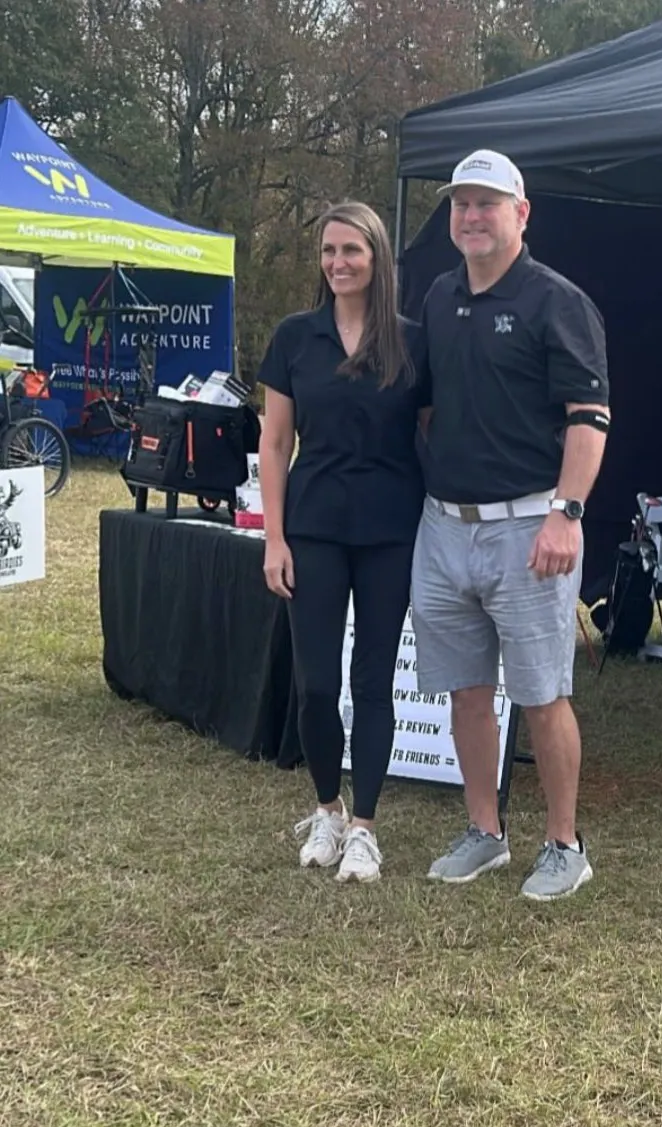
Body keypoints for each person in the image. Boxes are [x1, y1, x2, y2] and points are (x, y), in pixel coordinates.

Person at [411, 149, 610, 902]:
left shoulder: (555, 300)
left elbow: (589, 419)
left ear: (520, 214)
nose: (470, 216)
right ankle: (485, 833)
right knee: (465, 690)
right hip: (445, 526)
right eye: (461, 204)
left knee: (540, 694)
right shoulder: (437, 295)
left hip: (531, 527)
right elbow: (425, 403)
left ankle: (564, 844)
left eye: (486, 204)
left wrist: (566, 512)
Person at [256, 200, 424, 884]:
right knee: (316, 685)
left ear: (377, 258)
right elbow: (273, 444)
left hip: (390, 533)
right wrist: (274, 538)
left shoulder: (412, 343)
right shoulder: (296, 338)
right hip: (314, 529)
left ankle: (365, 828)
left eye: (351, 250)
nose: (337, 263)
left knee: (373, 683)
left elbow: (436, 435)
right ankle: (327, 808)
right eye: (328, 251)